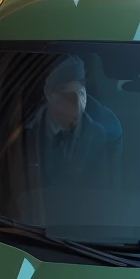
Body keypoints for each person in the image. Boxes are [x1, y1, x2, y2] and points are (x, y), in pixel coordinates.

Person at [23, 55, 121, 190]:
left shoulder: (101, 133)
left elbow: (103, 192)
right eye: (66, 96)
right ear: (49, 95)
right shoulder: (26, 131)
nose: (77, 105)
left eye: (81, 93)